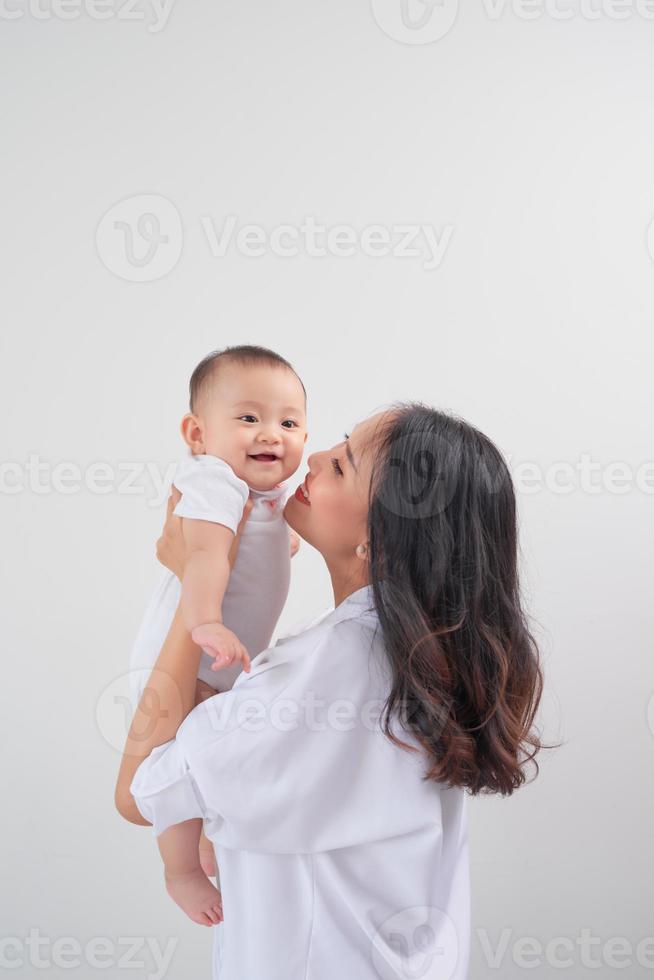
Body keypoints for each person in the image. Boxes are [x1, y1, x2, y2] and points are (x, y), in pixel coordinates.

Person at [115, 403, 546, 980]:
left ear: (382, 540)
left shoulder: (339, 666)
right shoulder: (404, 659)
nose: (311, 457)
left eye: (342, 466)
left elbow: (142, 790)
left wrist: (192, 595)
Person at [128, 344, 307, 906]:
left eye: (289, 421)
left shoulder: (264, 494)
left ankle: (207, 843)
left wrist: (280, 542)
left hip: (220, 662)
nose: (271, 434)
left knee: (202, 764)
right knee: (165, 769)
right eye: (249, 418)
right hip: (191, 651)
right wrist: (204, 621)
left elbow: (245, 551)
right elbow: (204, 555)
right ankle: (180, 870)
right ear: (197, 433)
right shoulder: (213, 482)